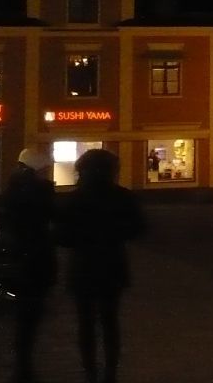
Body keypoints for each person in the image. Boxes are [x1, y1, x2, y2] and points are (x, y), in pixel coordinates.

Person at [54, 148, 146, 383]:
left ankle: (90, 372)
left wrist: (82, 238)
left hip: (83, 266)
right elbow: (137, 229)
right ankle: (110, 373)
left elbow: (62, 237)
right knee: (110, 321)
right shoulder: (122, 196)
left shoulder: (73, 199)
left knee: (85, 323)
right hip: (111, 264)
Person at [1, 147, 58, 383]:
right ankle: (24, 370)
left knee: (25, 318)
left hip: (21, 257)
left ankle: (22, 367)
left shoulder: (14, 188)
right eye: (45, 169)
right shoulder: (36, 192)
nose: (48, 173)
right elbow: (52, 217)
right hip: (35, 259)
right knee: (30, 316)